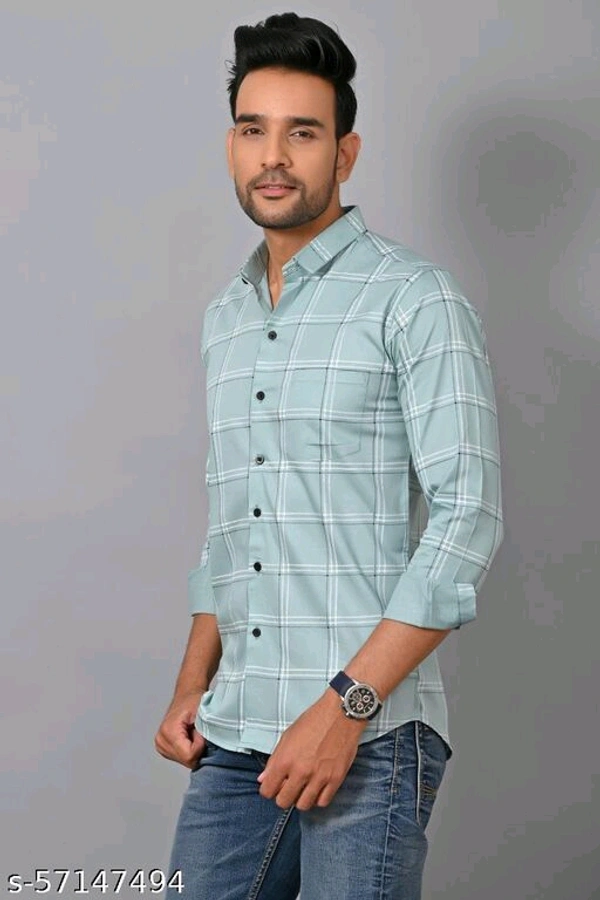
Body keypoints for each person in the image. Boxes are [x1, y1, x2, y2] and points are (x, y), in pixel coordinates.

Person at [155, 12, 504, 900]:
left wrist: (347, 706)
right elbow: (235, 527)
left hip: (370, 739)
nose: (273, 157)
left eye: (302, 133)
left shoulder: (414, 299)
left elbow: (467, 521)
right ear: (231, 147)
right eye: (253, 130)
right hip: (235, 737)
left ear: (345, 153)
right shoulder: (226, 319)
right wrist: (193, 684)